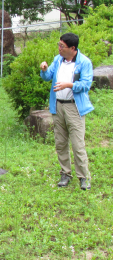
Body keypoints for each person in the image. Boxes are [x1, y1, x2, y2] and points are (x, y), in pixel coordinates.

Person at [40, 32, 93, 190]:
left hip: (74, 107)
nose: (59, 48)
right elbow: (48, 76)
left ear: (72, 48)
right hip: (58, 106)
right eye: (59, 45)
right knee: (61, 143)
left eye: (62, 46)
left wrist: (68, 85)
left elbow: (85, 84)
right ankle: (65, 173)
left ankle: (84, 177)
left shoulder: (84, 62)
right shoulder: (58, 60)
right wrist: (44, 69)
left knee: (78, 144)